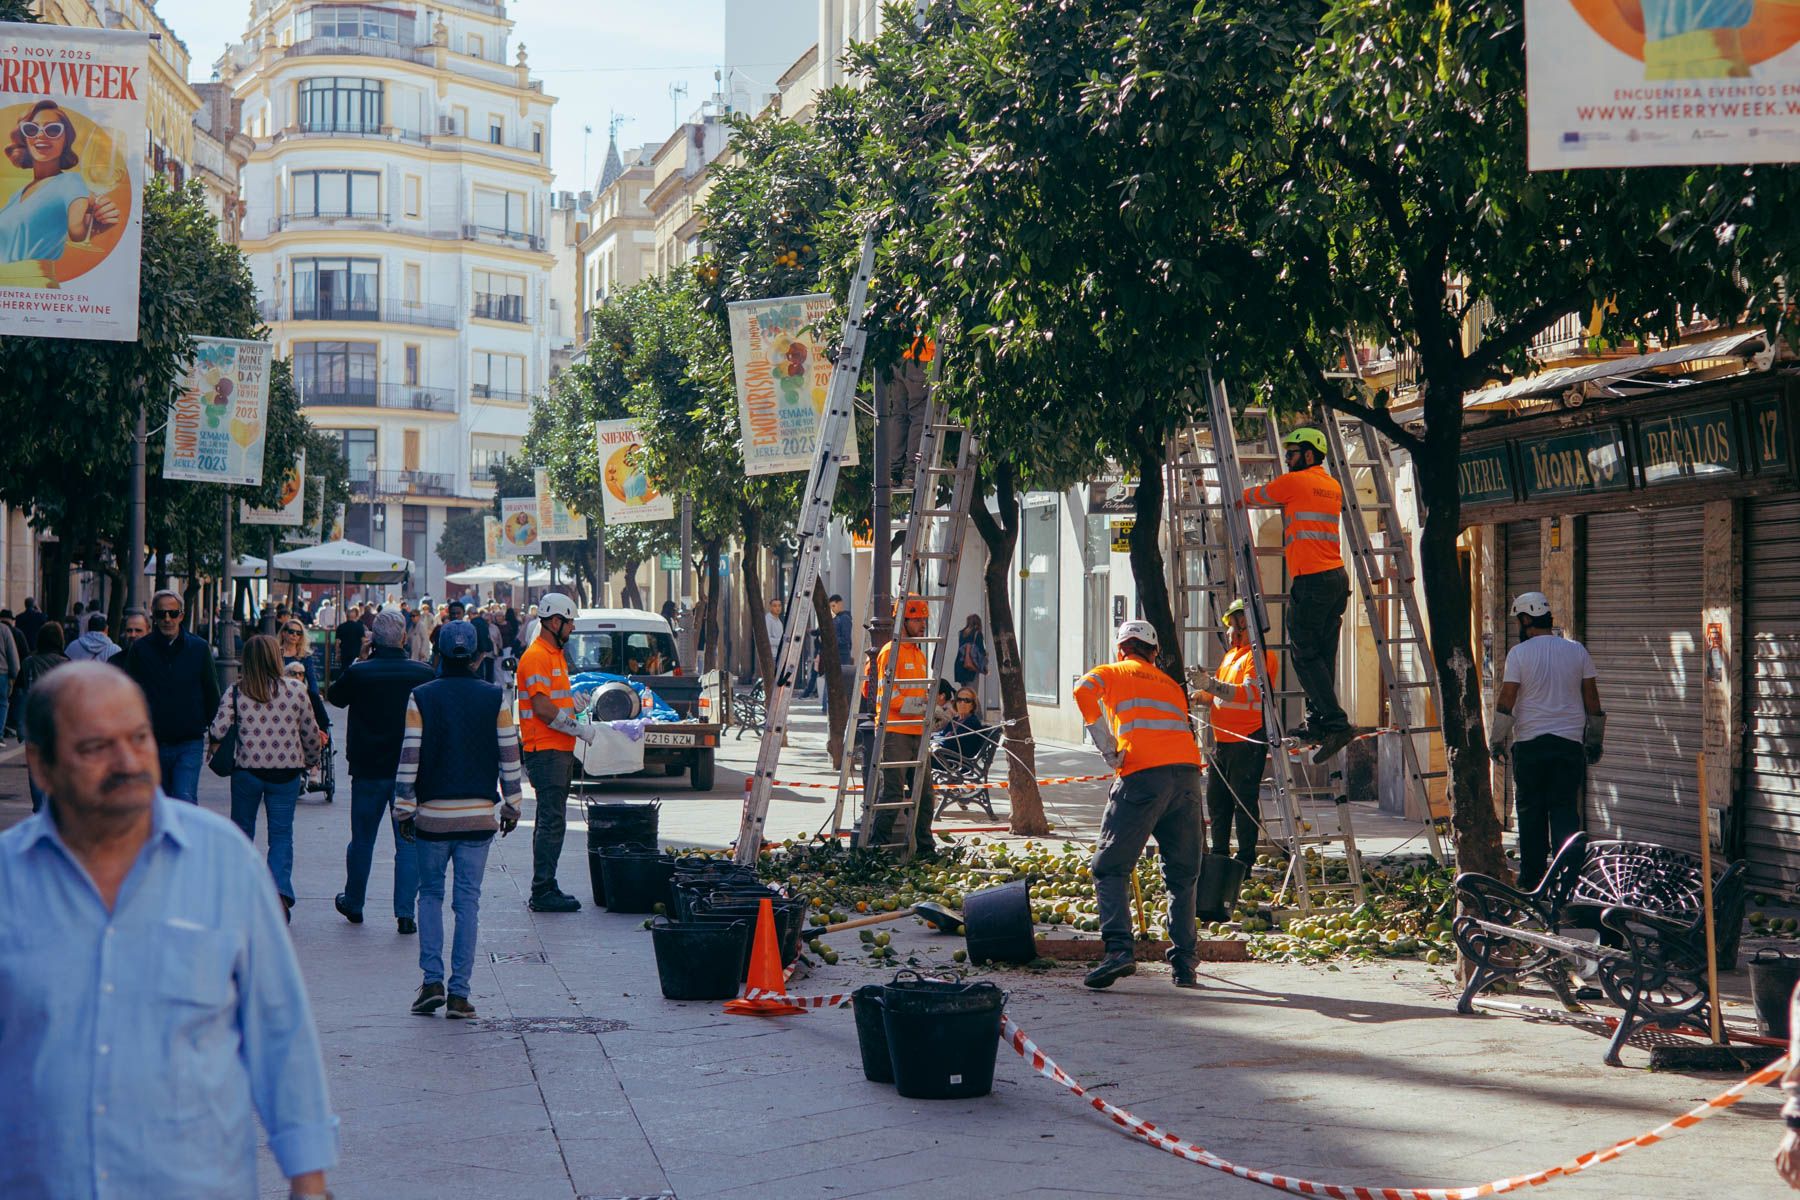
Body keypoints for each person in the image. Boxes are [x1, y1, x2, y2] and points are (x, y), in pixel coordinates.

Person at [0, 663, 338, 1198]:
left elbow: (281, 1030)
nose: (128, 761)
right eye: (96, 747)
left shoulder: (225, 861)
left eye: (139, 737)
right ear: (40, 765)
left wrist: (310, 1183)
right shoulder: (8, 881)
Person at [393, 620, 524, 1018]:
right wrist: (512, 804)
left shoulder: (421, 697)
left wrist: (404, 807)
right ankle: (460, 994)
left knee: (430, 896)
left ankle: (431, 980)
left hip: (432, 817)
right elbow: (509, 755)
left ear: (440, 653)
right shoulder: (493, 698)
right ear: (476, 655)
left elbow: (409, 757)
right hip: (479, 817)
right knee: (468, 902)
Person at [1073, 618, 1205, 991]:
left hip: (1143, 776)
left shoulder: (1111, 671)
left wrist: (1106, 745)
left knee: (1110, 865)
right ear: (1154, 652)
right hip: (1188, 779)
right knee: (1182, 875)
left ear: (1121, 649)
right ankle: (1185, 964)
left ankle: (1118, 951)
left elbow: (1082, 691)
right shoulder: (1169, 685)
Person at [1243, 425, 1356, 763]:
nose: (1287, 459)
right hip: (1335, 578)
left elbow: (1254, 497)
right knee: (1322, 656)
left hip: (1311, 581)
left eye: (1291, 453)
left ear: (1308, 454)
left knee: (1304, 656)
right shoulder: (1331, 485)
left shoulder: (1296, 482)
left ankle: (1335, 723)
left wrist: (1229, 495)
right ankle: (1320, 722)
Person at [1488, 591, 1605, 892]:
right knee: (1566, 812)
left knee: (1531, 814)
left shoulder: (1519, 654)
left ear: (1526, 619)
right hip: (1568, 747)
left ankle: (1532, 880)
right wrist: (1594, 741)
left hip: (1530, 746)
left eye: (1518, 620)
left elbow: (1507, 698)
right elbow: (1592, 699)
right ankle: (1568, 880)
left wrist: (1497, 740)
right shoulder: (1576, 650)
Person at [328, 609, 435, 933]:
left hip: (367, 769)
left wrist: (359, 660)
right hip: (409, 771)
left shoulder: (360, 673)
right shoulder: (423, 673)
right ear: (403, 638)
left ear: (372, 639)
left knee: (362, 840)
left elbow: (335, 696)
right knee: (408, 841)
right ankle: (405, 913)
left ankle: (354, 902)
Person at [211, 635, 321, 921]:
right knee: (281, 835)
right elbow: (310, 733)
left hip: (247, 772)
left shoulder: (236, 691)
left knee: (242, 834)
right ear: (276, 657)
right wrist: (310, 760)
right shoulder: (297, 690)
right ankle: (277, 894)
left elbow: (218, 730)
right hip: (285, 774)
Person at [517, 592, 596, 912]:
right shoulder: (536, 656)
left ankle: (546, 884)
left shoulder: (554, 654)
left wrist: (573, 707)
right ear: (554, 622)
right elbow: (541, 707)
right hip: (545, 750)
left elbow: (554, 701)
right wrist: (577, 728)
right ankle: (542, 889)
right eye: (570, 621)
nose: (573, 627)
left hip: (556, 748)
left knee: (551, 821)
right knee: (552, 822)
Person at [1189, 599, 1278, 868]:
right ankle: (1219, 854)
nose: (1227, 631)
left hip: (1247, 739)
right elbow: (1219, 695)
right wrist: (1198, 695)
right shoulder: (1231, 657)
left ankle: (1245, 859)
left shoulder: (1259, 657)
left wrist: (1211, 685)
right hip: (1223, 740)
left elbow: (1248, 693)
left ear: (1243, 624)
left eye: (1230, 625)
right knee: (1218, 801)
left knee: (1243, 801)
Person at [121, 589, 221, 804]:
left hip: (189, 741)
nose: (167, 619)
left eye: (173, 614)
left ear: (182, 615)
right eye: (161, 614)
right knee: (156, 805)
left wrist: (216, 736)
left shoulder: (199, 648)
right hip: (151, 741)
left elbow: (211, 692)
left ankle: (182, 838)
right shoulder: (140, 649)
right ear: (153, 617)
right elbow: (128, 694)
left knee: (184, 800)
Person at [861, 596, 937, 854]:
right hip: (895, 733)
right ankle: (877, 848)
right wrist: (923, 707)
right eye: (917, 619)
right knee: (892, 794)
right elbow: (889, 696)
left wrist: (929, 707)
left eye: (924, 619)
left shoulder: (918, 653)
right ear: (902, 621)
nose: (922, 624)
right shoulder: (890, 652)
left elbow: (919, 693)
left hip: (917, 731)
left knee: (925, 795)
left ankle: (925, 848)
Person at [17, 621, 68, 811]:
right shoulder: (66, 663)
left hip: (35, 724)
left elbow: (21, 694)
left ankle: (39, 808)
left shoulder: (29, 663)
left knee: (36, 768)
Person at [819, 593, 854, 714]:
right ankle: (827, 707)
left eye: (834, 606)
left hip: (842, 655)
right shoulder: (836, 618)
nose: (832, 609)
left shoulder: (844, 618)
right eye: (830, 607)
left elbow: (845, 639)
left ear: (840, 604)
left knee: (837, 680)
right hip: (834, 653)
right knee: (830, 680)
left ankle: (831, 707)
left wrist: (830, 638)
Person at [954, 612, 989, 702]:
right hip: (971, 668)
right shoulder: (977, 634)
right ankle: (978, 715)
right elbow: (981, 652)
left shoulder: (961, 633)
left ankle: (970, 714)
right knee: (973, 695)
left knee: (966, 694)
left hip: (960, 667)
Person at [0, 606, 17, 745]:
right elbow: (12, 654)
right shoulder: (4, 630)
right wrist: (14, 673)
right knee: (2, 703)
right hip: (2, 673)